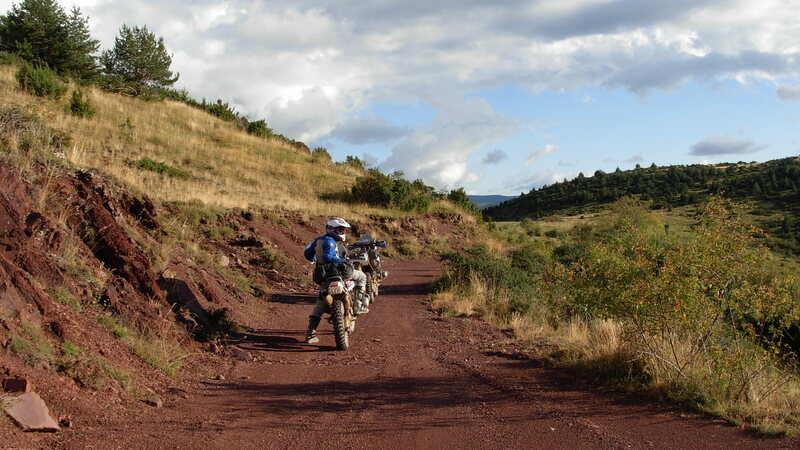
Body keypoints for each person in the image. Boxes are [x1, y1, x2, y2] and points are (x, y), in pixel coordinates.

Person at [303, 217, 368, 344]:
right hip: (336, 271)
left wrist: (316, 259)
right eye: (340, 229)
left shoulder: (318, 240)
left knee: (321, 303)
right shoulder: (331, 242)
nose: (342, 232)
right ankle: (359, 304)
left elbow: (307, 254)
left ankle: (310, 333)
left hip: (322, 274)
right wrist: (344, 261)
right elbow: (328, 257)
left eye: (343, 229)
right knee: (362, 277)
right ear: (331, 229)